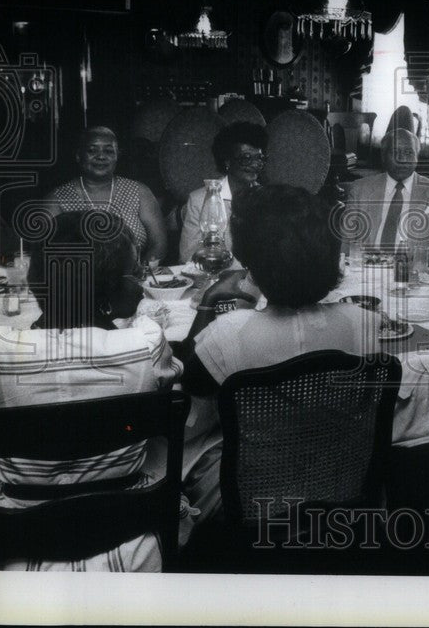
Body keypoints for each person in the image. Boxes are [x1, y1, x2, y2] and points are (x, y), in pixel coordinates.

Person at [0, 210, 183, 571]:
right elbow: (171, 376)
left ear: (36, 278)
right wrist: (124, 309)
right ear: (122, 288)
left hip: (21, 540)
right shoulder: (145, 341)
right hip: (129, 538)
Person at [176, 184, 380, 522]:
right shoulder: (365, 325)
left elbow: (188, 415)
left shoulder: (228, 334)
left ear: (253, 265)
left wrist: (210, 301)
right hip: (340, 487)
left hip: (252, 499)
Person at [45, 126, 167, 264]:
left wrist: (139, 274)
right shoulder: (57, 198)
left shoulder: (140, 191)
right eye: (92, 150)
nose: (101, 156)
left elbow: (159, 244)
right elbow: (44, 251)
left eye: (109, 151)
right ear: (78, 156)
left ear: (117, 156)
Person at [342, 129, 429, 264]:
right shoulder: (360, 189)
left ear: (417, 157)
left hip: (413, 273)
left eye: (409, 153)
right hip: (366, 271)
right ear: (383, 156)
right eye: (395, 152)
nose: (402, 159)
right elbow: (346, 239)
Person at [178, 121, 268, 265]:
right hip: (215, 279)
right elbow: (188, 256)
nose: (255, 164)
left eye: (259, 158)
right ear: (227, 162)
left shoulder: (268, 199)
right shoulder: (199, 200)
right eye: (246, 158)